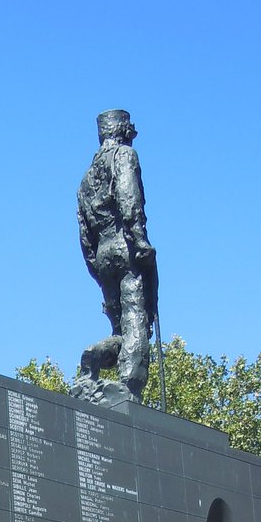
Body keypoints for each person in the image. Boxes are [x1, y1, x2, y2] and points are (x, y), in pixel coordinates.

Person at [77, 110, 158, 398]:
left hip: (102, 256)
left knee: (119, 326)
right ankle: (130, 387)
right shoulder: (124, 155)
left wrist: (96, 268)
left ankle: (95, 356)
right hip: (126, 249)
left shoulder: (86, 179)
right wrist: (140, 241)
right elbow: (129, 199)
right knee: (136, 316)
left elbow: (84, 233)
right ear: (124, 131)